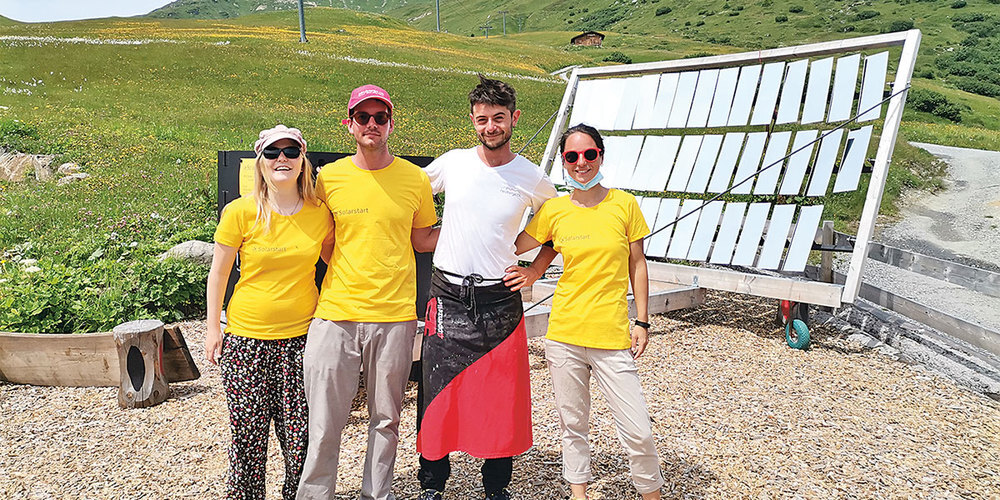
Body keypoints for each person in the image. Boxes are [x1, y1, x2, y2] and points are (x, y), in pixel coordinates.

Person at [412, 75, 558, 500]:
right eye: (482, 119)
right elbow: (407, 189)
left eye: (498, 118)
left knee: (500, 397)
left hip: (499, 299)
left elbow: (560, 224)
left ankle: (496, 487)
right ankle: (432, 483)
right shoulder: (453, 163)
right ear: (472, 121)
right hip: (448, 295)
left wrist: (534, 269)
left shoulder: (532, 176)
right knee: (436, 392)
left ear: (514, 118)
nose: (490, 126)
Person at [509, 124, 665, 500]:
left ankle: (651, 492)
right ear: (564, 162)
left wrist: (643, 321)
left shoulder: (624, 205)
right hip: (564, 335)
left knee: (638, 430)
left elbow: (638, 264)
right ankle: (578, 493)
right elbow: (517, 243)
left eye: (589, 154)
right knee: (573, 425)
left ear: (601, 157)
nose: (581, 162)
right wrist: (534, 270)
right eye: (572, 156)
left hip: (611, 336)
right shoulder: (555, 210)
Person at [297, 84, 438, 500]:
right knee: (324, 422)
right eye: (363, 117)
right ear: (350, 124)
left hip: (394, 317)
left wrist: (479, 227)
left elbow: (422, 239)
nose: (372, 124)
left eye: (380, 117)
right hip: (335, 315)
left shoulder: (414, 178)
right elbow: (323, 240)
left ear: (391, 123)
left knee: (386, 420)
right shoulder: (329, 178)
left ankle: (377, 495)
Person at [205, 124, 334, 500]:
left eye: (291, 152)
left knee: (301, 441)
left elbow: (337, 265)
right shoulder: (240, 212)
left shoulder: (319, 214)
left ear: (302, 160)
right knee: (247, 440)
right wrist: (213, 328)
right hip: (246, 341)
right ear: (260, 162)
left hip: (301, 341)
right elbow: (219, 273)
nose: (282, 159)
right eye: (273, 152)